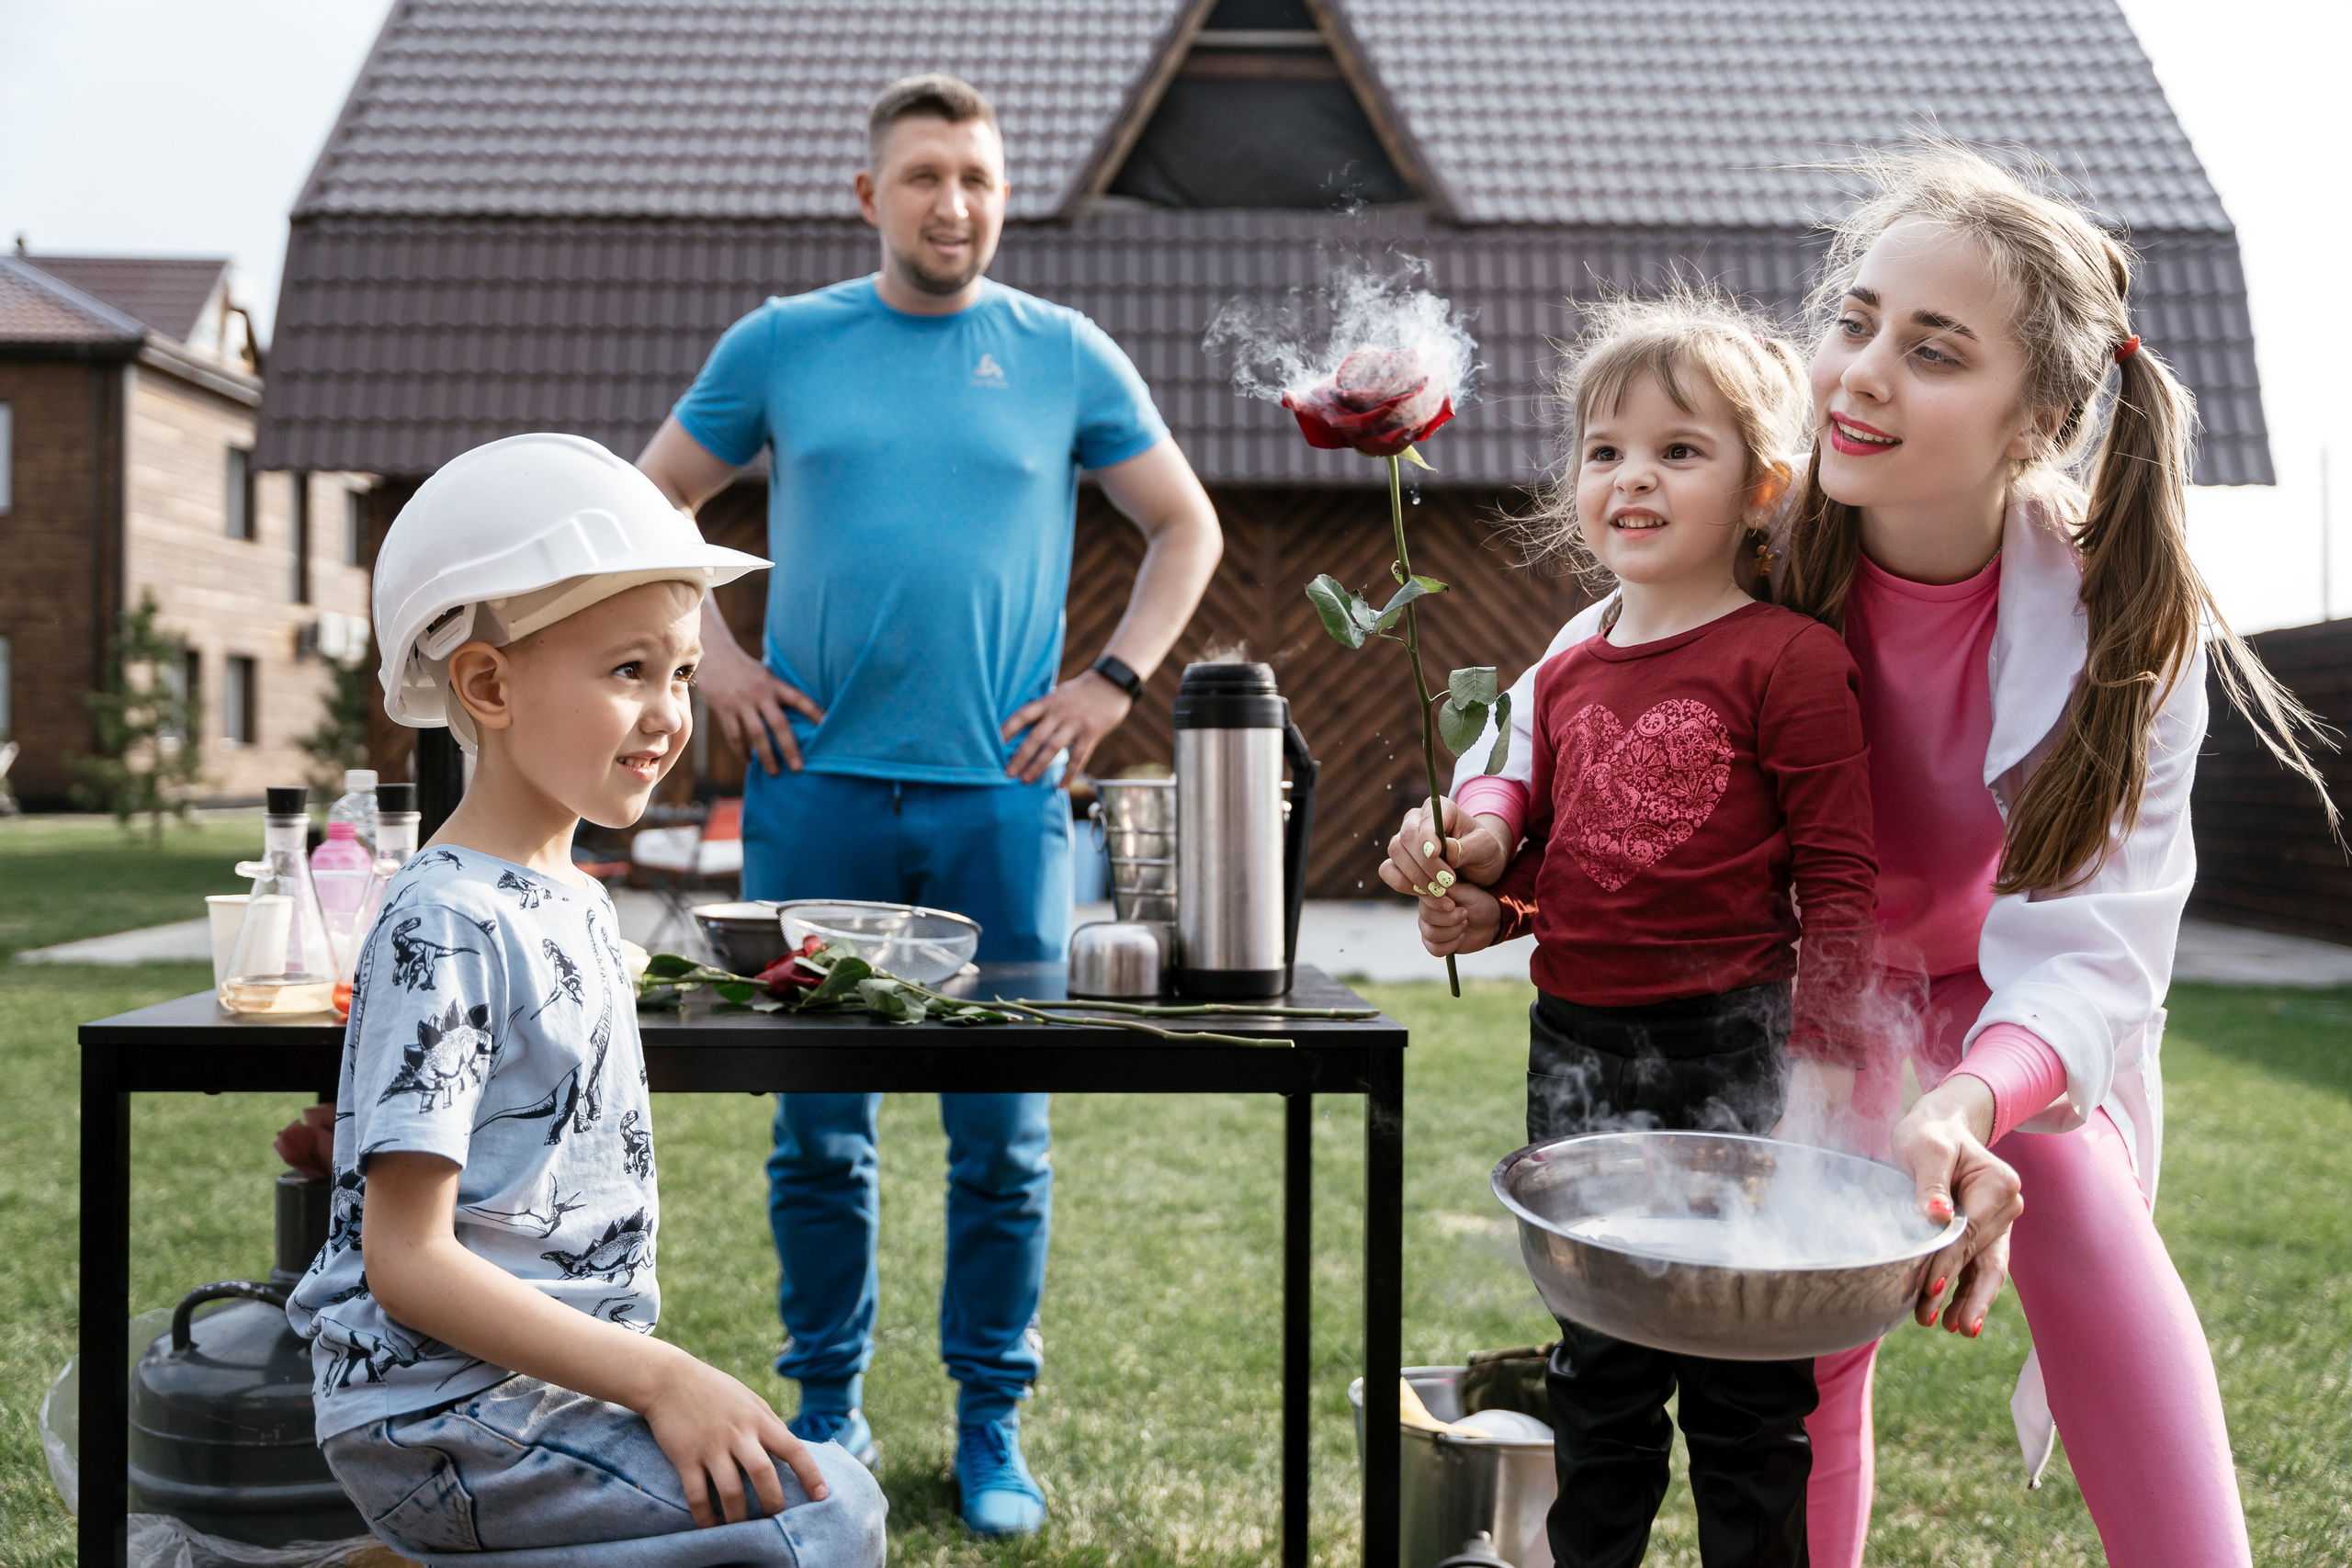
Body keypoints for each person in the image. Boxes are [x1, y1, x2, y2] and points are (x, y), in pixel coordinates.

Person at [1397, 147, 2332, 1568]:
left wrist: (1964, 1104)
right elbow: (1581, 676)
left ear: (2048, 415)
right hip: (1790, 990)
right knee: (1792, 1313)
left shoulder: (2120, 618)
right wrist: (1485, 825)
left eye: (1934, 350)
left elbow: (2097, 952)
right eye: (1855, 320)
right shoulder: (1765, 541)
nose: (1860, 373)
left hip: (1987, 1012)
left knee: (2073, 1198)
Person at [633, 74, 1222, 1535]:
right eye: (924, 177)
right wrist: (714, 658)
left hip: (1002, 804)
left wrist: (1109, 682)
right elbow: (648, 503)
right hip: (815, 793)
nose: (953, 203)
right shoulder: (784, 343)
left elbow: (1185, 522)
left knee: (1002, 1140)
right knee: (819, 1131)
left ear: (1001, 193)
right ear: (869, 195)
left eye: (976, 177)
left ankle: (989, 1421)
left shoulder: (1062, 353)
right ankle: (824, 1407)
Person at [287, 433, 887, 1565]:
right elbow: (405, 1261)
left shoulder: (575, 901)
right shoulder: (450, 914)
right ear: (487, 682)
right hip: (439, 1413)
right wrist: (665, 1378)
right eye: (627, 672)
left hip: (540, 1388)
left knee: (813, 1489)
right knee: (826, 1516)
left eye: (680, 675)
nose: (668, 714)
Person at [1412, 296, 1886, 1566]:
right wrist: (1489, 906)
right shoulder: (1565, 674)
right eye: (1606, 448)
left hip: (1734, 1054)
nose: (1634, 476)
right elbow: (1564, 864)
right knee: (1599, 1376)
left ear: (1762, 488)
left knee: (1746, 1397)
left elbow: (1842, 880)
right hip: (1577, 1051)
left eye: (1681, 449)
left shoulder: (1792, 661)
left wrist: (1825, 1075)